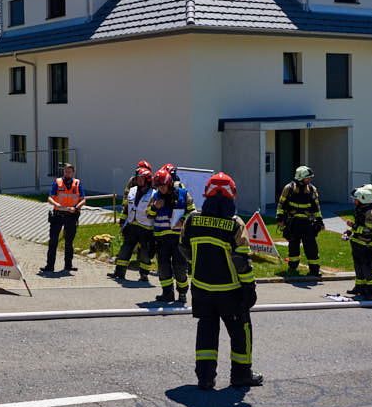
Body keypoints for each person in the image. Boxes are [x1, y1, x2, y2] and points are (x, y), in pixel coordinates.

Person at [181, 172, 263, 390]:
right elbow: (241, 262)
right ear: (231, 196)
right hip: (230, 292)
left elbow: (184, 249)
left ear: (207, 195)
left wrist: (200, 262)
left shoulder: (192, 220)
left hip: (201, 290)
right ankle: (241, 375)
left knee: (206, 331)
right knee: (241, 332)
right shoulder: (235, 225)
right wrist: (250, 287)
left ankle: (205, 378)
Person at [147, 167, 195, 303]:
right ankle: (167, 293)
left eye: (163, 186)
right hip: (161, 239)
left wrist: (183, 220)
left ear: (169, 183)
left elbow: (193, 212)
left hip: (178, 239)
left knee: (180, 267)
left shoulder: (183, 194)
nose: (160, 189)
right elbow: (148, 214)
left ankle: (182, 294)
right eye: (158, 186)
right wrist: (155, 207)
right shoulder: (155, 196)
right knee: (163, 267)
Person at [276, 165, 324, 276]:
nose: (309, 179)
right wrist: (280, 218)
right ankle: (293, 268)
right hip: (293, 223)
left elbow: (316, 207)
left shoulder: (312, 189)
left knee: (311, 247)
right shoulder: (289, 188)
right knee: (293, 246)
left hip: (307, 223)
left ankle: (314, 270)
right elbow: (281, 204)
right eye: (307, 177)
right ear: (300, 177)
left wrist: (319, 221)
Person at [108, 167, 154, 281]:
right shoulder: (132, 190)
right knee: (125, 249)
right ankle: (119, 272)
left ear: (147, 180)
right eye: (138, 178)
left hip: (146, 228)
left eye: (141, 178)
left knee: (145, 253)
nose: (138, 180)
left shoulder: (153, 194)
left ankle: (144, 275)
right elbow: (127, 208)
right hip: (131, 226)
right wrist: (122, 221)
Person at [41, 162, 86, 273]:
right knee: (53, 241)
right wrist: (56, 204)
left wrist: (76, 207)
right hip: (58, 215)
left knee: (69, 242)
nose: (67, 173)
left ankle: (68, 265)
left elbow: (83, 200)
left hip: (71, 216)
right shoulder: (57, 182)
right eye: (65, 171)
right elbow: (50, 198)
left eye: (69, 172)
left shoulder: (77, 183)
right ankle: (49, 266)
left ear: (73, 173)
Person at [344, 187, 372, 299]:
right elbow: (358, 224)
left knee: (367, 268)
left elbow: (369, 230)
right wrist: (348, 232)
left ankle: (371, 291)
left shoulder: (370, 213)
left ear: (363, 200)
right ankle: (359, 287)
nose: (354, 201)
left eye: (356, 199)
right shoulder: (361, 209)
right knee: (358, 267)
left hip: (366, 245)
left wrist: (353, 226)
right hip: (357, 243)